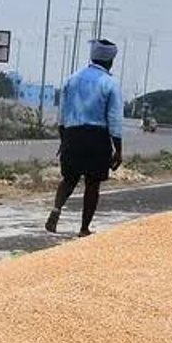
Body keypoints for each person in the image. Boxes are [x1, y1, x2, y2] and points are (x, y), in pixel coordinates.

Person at [45, 39, 124, 237]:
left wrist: (63, 140)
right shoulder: (110, 83)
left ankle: (56, 210)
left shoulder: (72, 79)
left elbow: (62, 114)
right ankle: (84, 228)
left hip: (72, 133)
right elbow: (114, 119)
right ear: (110, 61)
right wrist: (118, 150)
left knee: (69, 178)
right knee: (92, 183)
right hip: (97, 137)